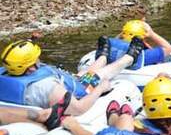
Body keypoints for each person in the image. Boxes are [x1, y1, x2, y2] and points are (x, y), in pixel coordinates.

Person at [0, 37, 144, 116]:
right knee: (99, 76)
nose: (39, 59)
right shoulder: (47, 87)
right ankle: (129, 58)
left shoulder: (5, 74)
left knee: (82, 75)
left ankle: (102, 58)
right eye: (36, 58)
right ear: (30, 67)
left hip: (73, 82)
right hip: (80, 92)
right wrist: (100, 89)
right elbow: (78, 109)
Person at [83, 20, 171, 74]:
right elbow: (167, 48)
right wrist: (152, 34)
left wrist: (123, 34)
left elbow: (114, 41)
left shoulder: (112, 49)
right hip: (155, 63)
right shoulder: (142, 55)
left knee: (169, 49)